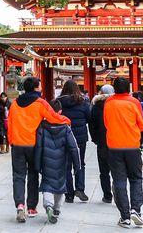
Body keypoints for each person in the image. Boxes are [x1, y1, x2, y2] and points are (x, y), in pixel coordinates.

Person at [7, 76, 71, 223]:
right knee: (33, 175)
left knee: (18, 176)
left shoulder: (15, 104)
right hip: (34, 144)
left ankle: (19, 205)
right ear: (36, 88)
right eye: (40, 86)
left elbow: (9, 124)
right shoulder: (40, 103)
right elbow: (53, 117)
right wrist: (67, 120)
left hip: (17, 144)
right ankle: (31, 207)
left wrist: (11, 141)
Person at [104, 77, 143, 228]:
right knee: (136, 178)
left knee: (119, 181)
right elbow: (141, 125)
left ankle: (125, 216)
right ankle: (136, 210)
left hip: (114, 146)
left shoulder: (108, 103)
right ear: (128, 88)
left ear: (114, 88)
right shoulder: (134, 102)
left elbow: (106, 123)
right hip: (132, 146)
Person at [34, 116, 81, 224]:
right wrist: (77, 165)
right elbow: (74, 148)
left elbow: (39, 147)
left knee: (47, 185)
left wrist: (37, 165)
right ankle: (57, 208)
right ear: (60, 112)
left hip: (46, 161)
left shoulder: (43, 127)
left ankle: (48, 206)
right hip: (61, 162)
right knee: (60, 186)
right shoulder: (65, 128)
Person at [53, 80, 91, 203]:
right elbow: (88, 118)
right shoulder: (83, 102)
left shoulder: (58, 102)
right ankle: (80, 188)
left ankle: (69, 193)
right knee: (80, 163)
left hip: (64, 136)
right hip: (80, 137)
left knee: (66, 165)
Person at [87, 84, 114, 204]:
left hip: (102, 142)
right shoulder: (115, 104)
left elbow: (92, 124)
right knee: (117, 170)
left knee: (104, 171)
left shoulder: (96, 106)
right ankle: (118, 192)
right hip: (116, 141)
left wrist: (95, 138)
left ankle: (107, 195)